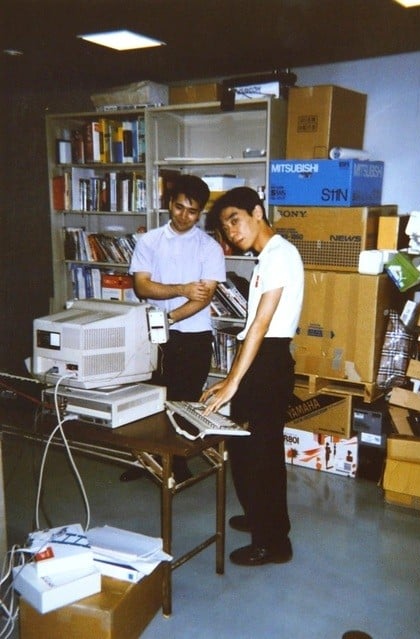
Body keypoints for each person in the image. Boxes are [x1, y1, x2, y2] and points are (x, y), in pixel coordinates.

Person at [201, 187, 304, 567]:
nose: (231, 232)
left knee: (255, 456)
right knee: (255, 451)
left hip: (268, 360)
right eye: (225, 227)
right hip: (264, 361)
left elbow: (260, 326)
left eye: (235, 220)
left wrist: (233, 382)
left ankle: (272, 543)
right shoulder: (270, 258)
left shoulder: (278, 255)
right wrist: (233, 378)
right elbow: (255, 328)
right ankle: (266, 519)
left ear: (257, 212)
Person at [123, 174, 226, 482]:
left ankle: (178, 465)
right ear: (169, 203)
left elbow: (203, 297)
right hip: (152, 335)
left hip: (192, 336)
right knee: (150, 399)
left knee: (184, 402)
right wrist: (182, 288)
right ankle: (148, 461)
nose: (184, 216)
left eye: (192, 211)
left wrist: (169, 318)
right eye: (179, 207)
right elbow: (142, 287)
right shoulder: (149, 241)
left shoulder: (210, 248)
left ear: (201, 212)